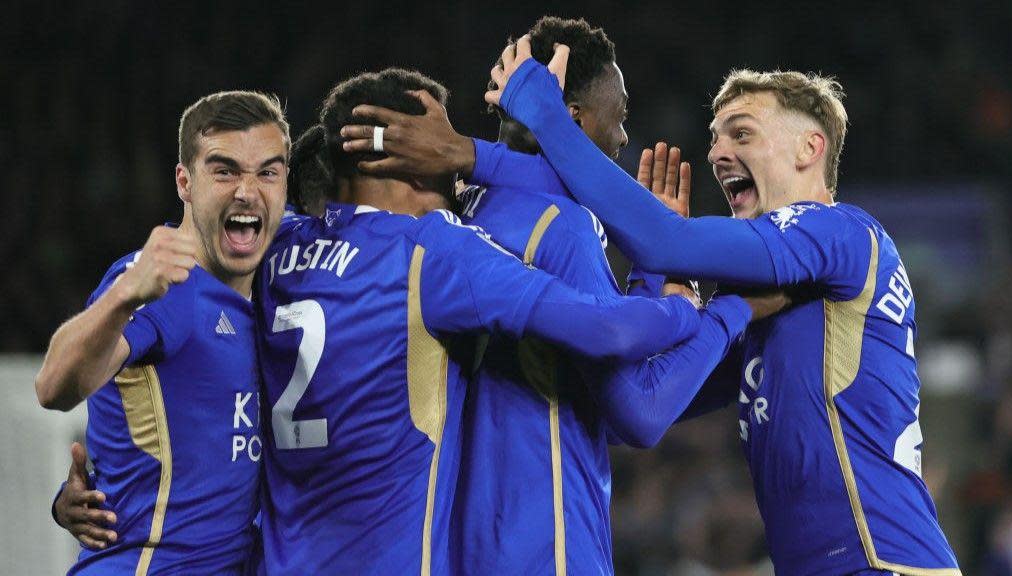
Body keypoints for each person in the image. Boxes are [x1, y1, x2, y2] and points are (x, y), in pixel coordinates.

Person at [477, 41, 961, 575]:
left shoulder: (842, 231)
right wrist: (658, 277)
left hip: (881, 562)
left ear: (809, 148)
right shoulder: (769, 304)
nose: (715, 153)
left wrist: (546, 116)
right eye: (715, 138)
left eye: (742, 133)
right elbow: (638, 407)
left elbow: (666, 237)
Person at [256, 67, 755, 575]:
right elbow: (620, 361)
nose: (452, 169)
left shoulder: (276, 246)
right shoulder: (434, 250)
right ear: (401, 156)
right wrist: (697, 304)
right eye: (436, 142)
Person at [35, 91, 289, 574]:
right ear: (184, 182)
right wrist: (127, 292)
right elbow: (52, 387)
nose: (247, 190)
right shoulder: (166, 286)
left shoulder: (277, 277)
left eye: (267, 172)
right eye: (225, 170)